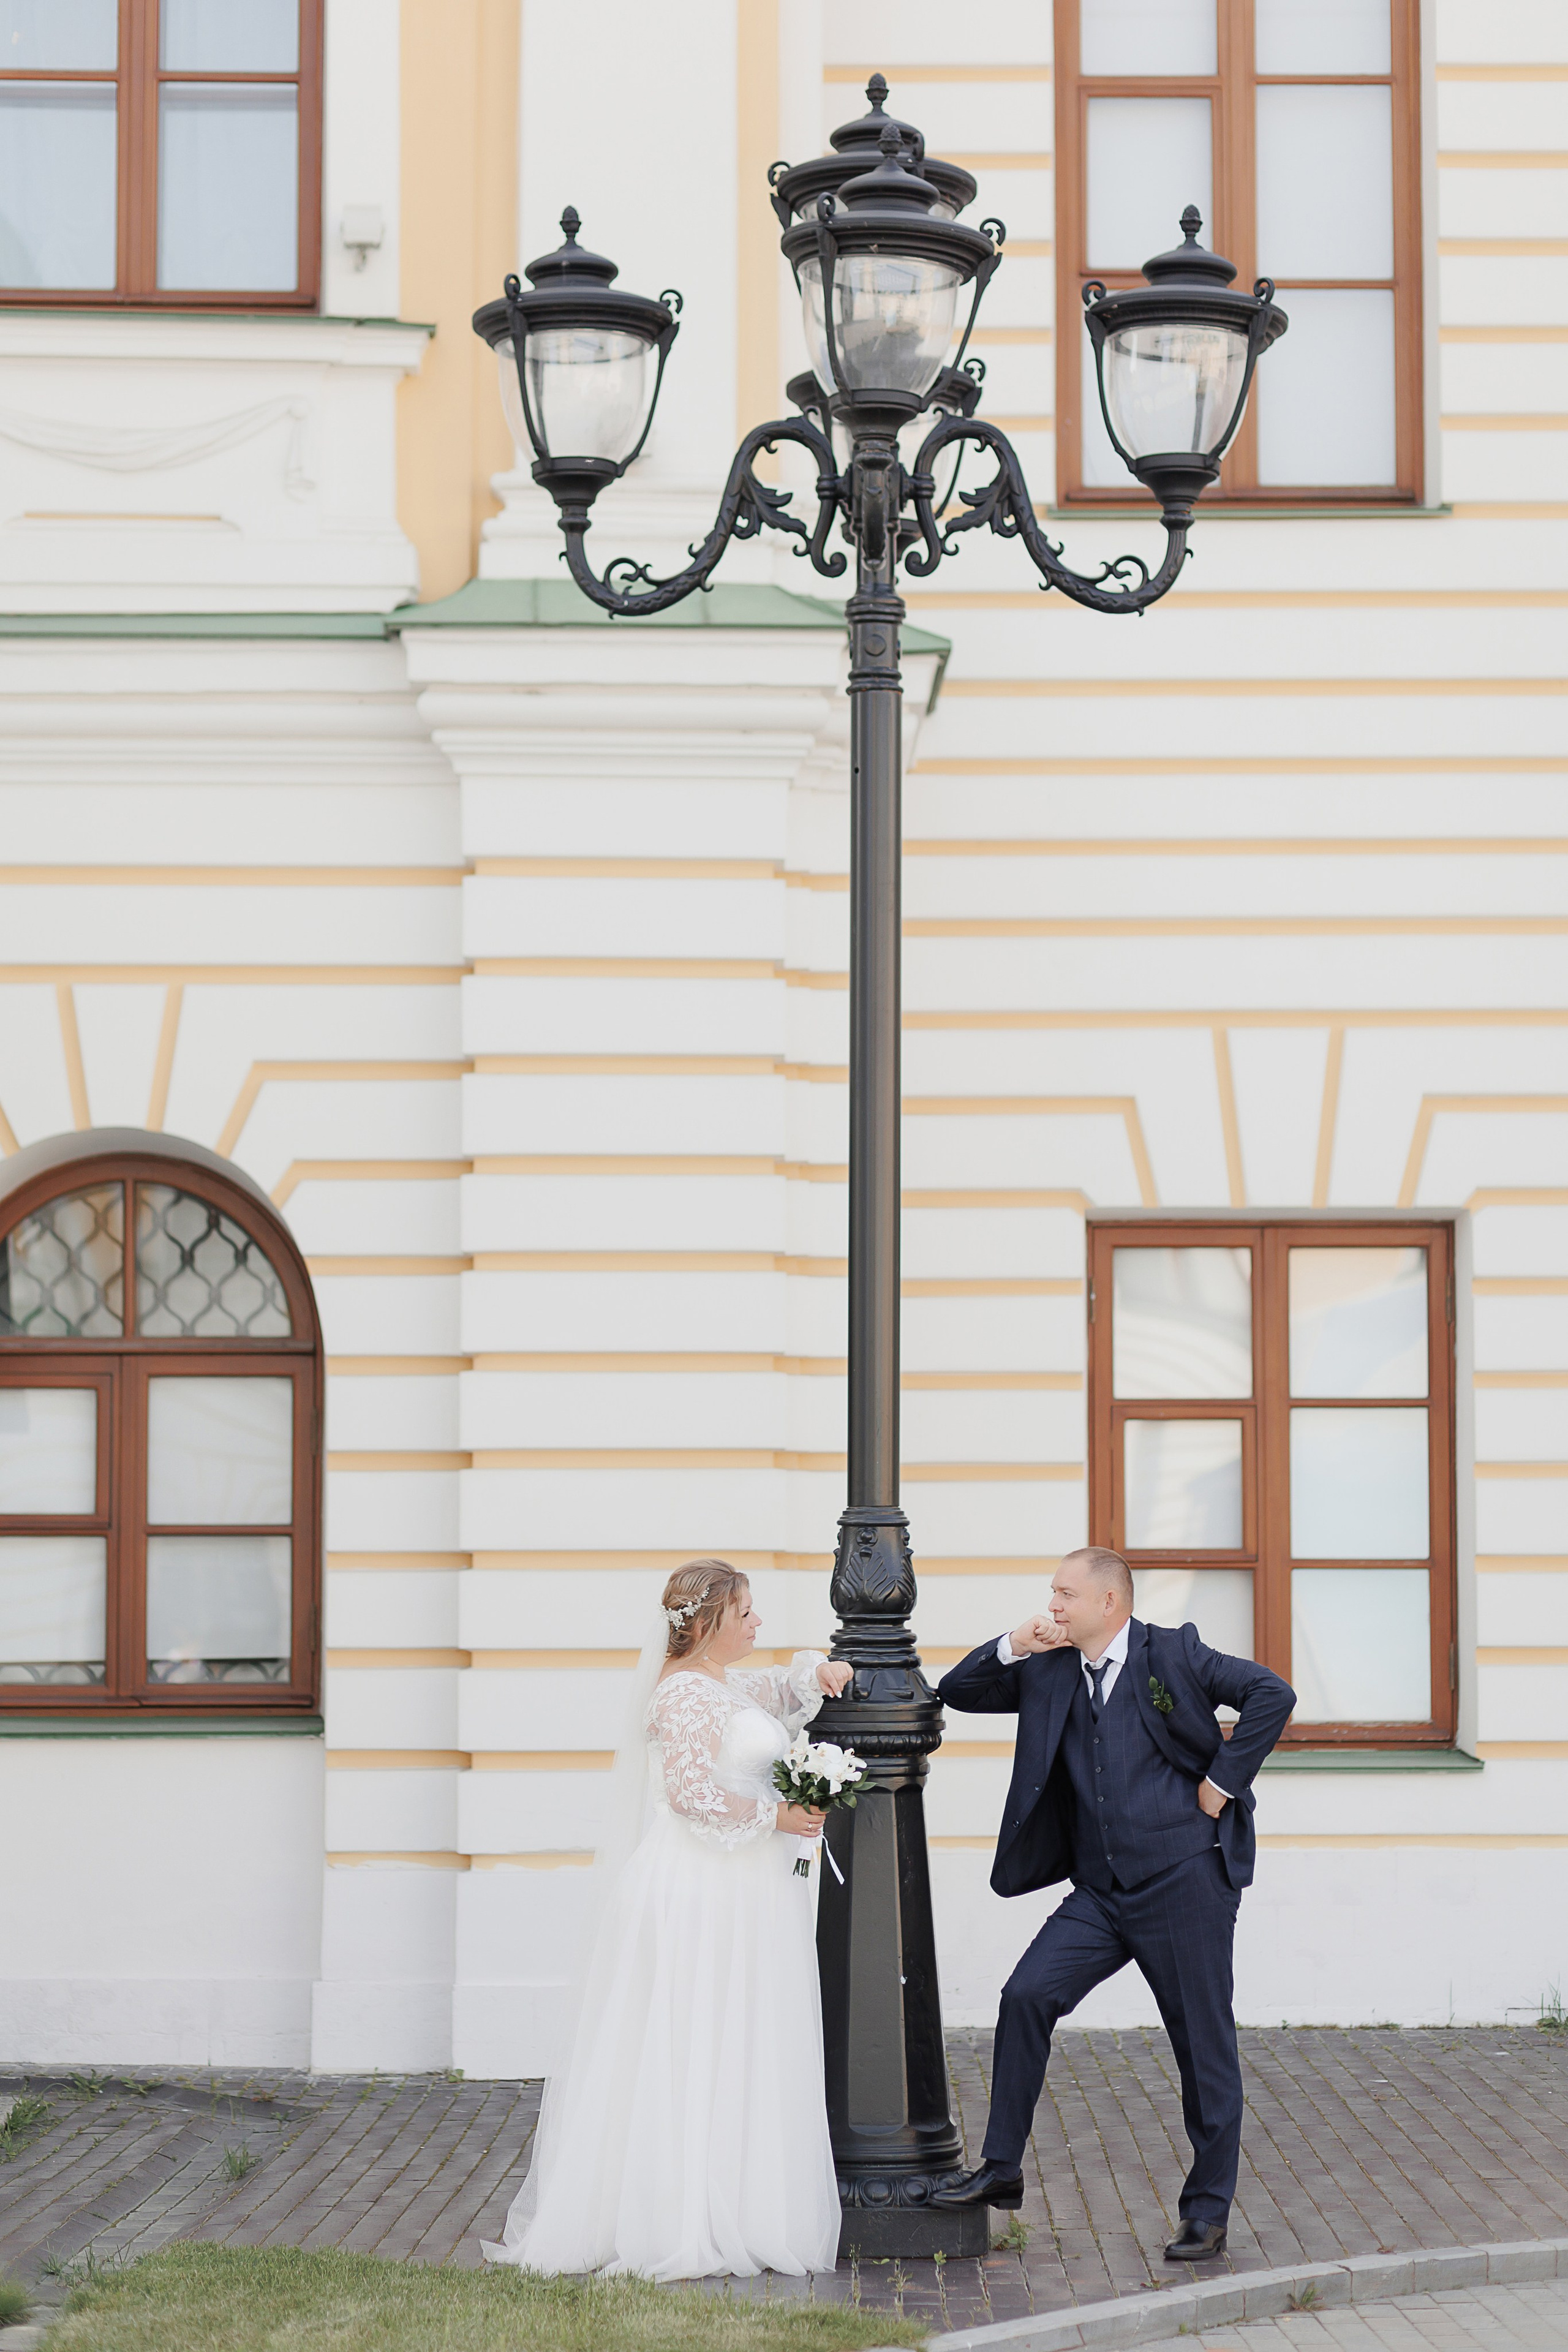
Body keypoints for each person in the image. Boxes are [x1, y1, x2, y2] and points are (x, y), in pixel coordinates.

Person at [481, 1558, 850, 2278]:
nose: (758, 1623)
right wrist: (781, 1815)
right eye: (747, 1613)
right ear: (711, 1623)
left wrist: (820, 1675)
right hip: (700, 1887)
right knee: (692, 2037)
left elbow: (773, 1690)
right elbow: (691, 1795)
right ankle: (678, 2215)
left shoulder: (720, 1681)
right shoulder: (682, 1696)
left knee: (739, 2036)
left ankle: (735, 2203)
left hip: (748, 1887)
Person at [930, 1545, 1294, 2261]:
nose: (1054, 1605)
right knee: (1027, 1995)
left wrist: (1223, 1785)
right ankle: (1001, 2171)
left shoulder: (1176, 1655)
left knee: (1203, 2048)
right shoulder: (1049, 1666)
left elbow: (1270, 1694)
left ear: (1110, 1605)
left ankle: (1206, 2213)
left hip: (1183, 1881)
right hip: (1099, 1892)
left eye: (1066, 1595)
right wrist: (1012, 1642)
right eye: (1052, 1593)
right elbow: (957, 1690)